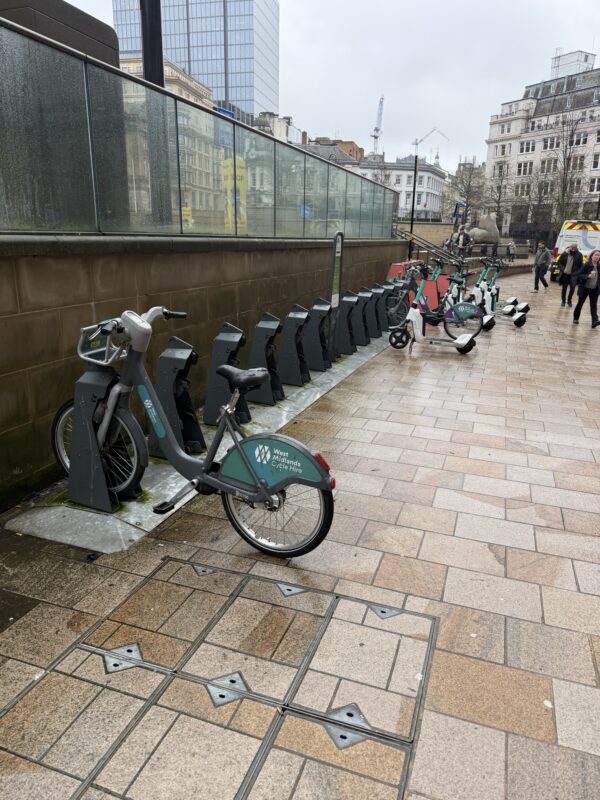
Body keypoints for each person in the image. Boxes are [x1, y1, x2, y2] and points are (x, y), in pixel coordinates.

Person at [573, 249, 600, 327]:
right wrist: (588, 276)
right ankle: (576, 318)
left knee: (593, 305)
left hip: (594, 289)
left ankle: (594, 321)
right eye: (596, 255)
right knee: (580, 303)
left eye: (599, 255)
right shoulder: (587, 264)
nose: (597, 256)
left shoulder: (599, 266)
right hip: (584, 288)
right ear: (592, 256)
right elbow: (580, 275)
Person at [557, 243, 583, 307]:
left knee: (572, 288)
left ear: (576, 248)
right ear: (570, 247)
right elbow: (559, 262)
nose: (573, 249)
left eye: (574, 248)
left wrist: (577, 272)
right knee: (564, 288)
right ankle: (563, 301)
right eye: (572, 248)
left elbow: (581, 266)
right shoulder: (565, 254)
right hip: (565, 274)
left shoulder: (579, 255)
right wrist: (563, 269)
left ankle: (569, 300)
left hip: (574, 274)